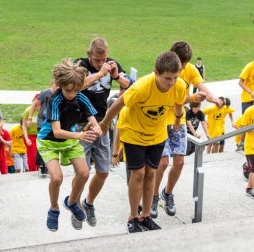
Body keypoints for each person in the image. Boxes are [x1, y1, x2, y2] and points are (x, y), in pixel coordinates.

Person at [99, 51, 187, 233]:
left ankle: (146, 216)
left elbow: (179, 102)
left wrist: (178, 119)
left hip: (157, 134)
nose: (171, 83)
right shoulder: (141, 87)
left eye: (175, 78)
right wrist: (105, 123)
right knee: (138, 173)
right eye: (167, 78)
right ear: (156, 72)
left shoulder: (178, 86)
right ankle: (133, 217)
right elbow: (119, 103)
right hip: (134, 131)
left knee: (150, 174)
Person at [151, 41, 223, 220]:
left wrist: (212, 97)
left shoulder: (189, 69)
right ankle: (152, 197)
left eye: (184, 64)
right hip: (162, 120)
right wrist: (191, 98)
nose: (182, 67)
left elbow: (201, 85)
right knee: (162, 163)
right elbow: (171, 99)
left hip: (179, 121)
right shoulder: (164, 69)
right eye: (180, 63)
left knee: (180, 162)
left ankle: (167, 193)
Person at [72, 37, 132, 229]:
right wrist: (99, 73)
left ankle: (89, 203)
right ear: (90, 54)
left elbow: (127, 84)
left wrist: (115, 76)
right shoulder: (80, 64)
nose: (101, 63)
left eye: (103, 59)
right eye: (97, 60)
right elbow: (75, 86)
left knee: (104, 171)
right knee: (83, 172)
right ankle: (76, 205)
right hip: (81, 124)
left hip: (102, 123)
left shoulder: (110, 64)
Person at [37, 59, 101, 232]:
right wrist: (80, 135)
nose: (71, 94)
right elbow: (57, 131)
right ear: (60, 85)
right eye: (68, 90)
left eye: (75, 90)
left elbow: (92, 118)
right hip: (48, 141)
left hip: (69, 140)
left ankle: (71, 201)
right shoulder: (54, 100)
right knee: (57, 178)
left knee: (84, 173)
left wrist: (97, 128)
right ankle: (54, 208)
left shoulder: (80, 97)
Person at [27, 82, 58, 174]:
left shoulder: (61, 93)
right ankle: (43, 165)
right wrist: (30, 118)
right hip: (42, 122)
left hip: (53, 122)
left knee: (52, 143)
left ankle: (49, 164)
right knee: (43, 142)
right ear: (52, 83)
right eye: (56, 84)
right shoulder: (45, 93)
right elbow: (34, 104)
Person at [234, 104, 254, 197]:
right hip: (250, 146)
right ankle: (251, 190)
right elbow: (241, 127)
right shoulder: (249, 111)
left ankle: (249, 189)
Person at [237, 60, 254, 151]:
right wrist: (250, 92)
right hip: (247, 98)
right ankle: (242, 142)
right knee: (246, 121)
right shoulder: (249, 66)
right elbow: (240, 82)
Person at [22, 95, 40, 172]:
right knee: (32, 156)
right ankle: (32, 171)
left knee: (40, 156)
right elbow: (24, 126)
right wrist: (26, 138)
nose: (38, 107)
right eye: (36, 104)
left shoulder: (43, 110)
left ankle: (39, 170)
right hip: (30, 136)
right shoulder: (28, 110)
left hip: (40, 136)